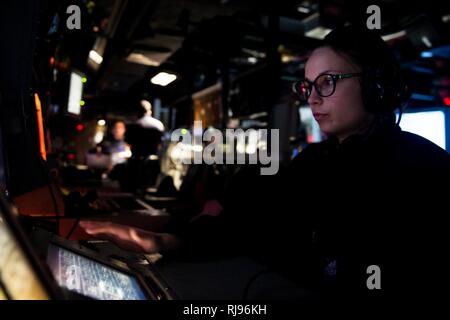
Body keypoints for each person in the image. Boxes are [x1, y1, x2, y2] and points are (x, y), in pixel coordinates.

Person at [80, 25, 449, 304]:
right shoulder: (317, 160)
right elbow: (255, 219)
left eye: (328, 82)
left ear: (375, 86)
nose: (314, 98)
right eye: (307, 86)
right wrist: (167, 238)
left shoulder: (424, 170)